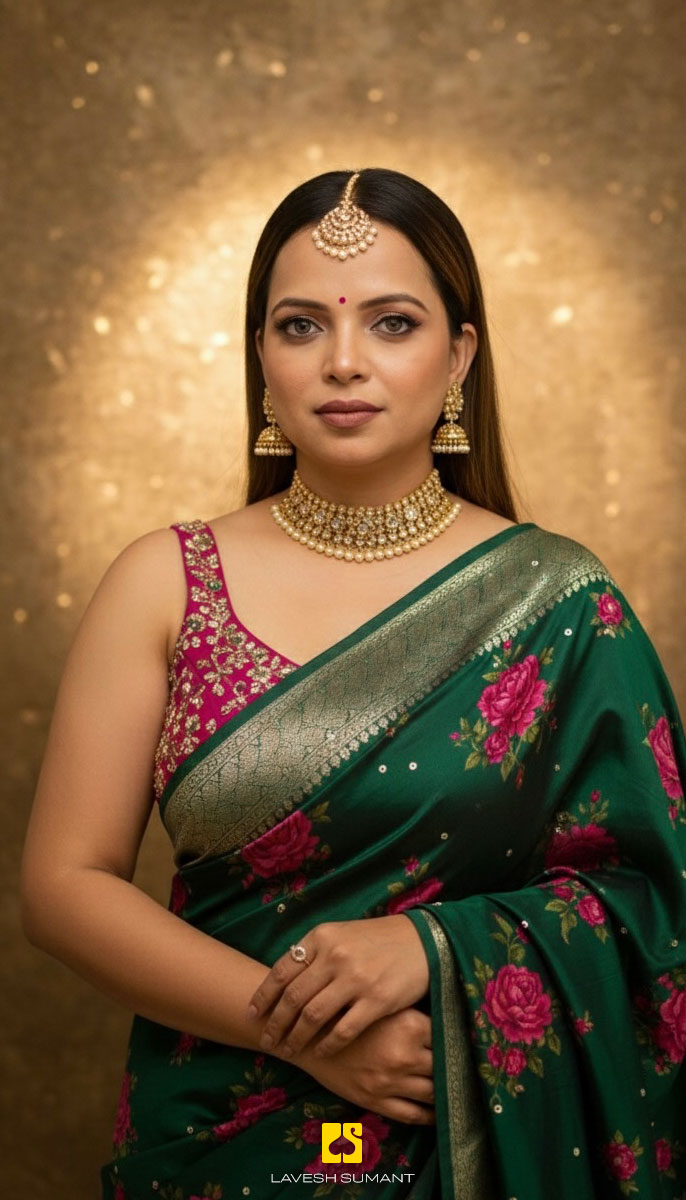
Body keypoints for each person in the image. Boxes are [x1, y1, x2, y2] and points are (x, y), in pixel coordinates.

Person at [20, 167, 686, 1199]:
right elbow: (64, 889)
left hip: (456, 1140)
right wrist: (303, 1034)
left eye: (391, 323)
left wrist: (428, 949)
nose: (341, 362)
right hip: (205, 1144)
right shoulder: (164, 581)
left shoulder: (556, 602)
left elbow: (654, 905)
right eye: (298, 327)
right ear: (258, 357)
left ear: (457, 355)